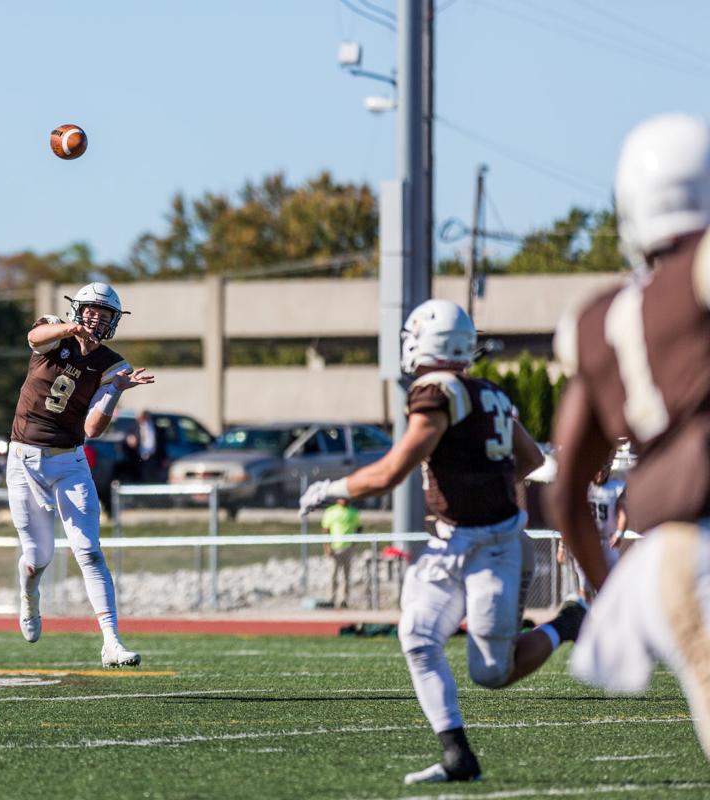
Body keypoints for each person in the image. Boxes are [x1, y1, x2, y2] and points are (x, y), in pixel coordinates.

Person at [299, 298, 586, 785]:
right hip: (454, 542)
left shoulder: (436, 390)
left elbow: (392, 471)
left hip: (495, 545)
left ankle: (569, 620)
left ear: (424, 342)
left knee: (493, 672)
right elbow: (532, 458)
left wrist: (331, 489)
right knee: (417, 636)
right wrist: (485, 478)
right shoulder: (486, 391)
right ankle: (458, 756)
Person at [547, 113, 710, 758]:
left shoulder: (592, 320)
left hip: (672, 556)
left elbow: (566, 494)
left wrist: (610, 594)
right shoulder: (699, 273)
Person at [7, 281, 155, 668]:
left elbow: (92, 430)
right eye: (91, 311)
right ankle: (29, 597)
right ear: (77, 311)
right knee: (37, 558)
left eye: (104, 315)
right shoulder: (54, 331)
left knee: (88, 550)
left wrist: (117, 390)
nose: (96, 319)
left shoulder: (113, 365)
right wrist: (70, 330)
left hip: (69, 462)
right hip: (23, 461)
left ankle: (111, 642)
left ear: (113, 322)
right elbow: (34, 335)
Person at [557, 457, 627, 603]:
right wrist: (562, 546)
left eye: (604, 470)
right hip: (585, 541)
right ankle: (586, 619)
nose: (600, 474)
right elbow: (571, 518)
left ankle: (606, 619)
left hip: (607, 541)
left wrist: (619, 533)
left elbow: (622, 514)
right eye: (598, 469)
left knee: (610, 585)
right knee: (585, 586)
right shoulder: (583, 486)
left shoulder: (616, 487)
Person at [321, 497, 361, 608]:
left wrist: (354, 543)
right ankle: (331, 598)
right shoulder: (331, 511)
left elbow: (359, 528)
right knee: (332, 575)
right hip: (334, 548)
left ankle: (345, 600)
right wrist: (326, 547)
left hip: (348, 548)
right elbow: (325, 530)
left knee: (346, 576)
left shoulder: (353, 512)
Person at [136, 410, 167, 483]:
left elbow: (161, 444)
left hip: (153, 457)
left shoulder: (155, 428)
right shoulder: (136, 426)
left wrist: (164, 457)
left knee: (152, 477)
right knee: (142, 477)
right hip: (140, 457)